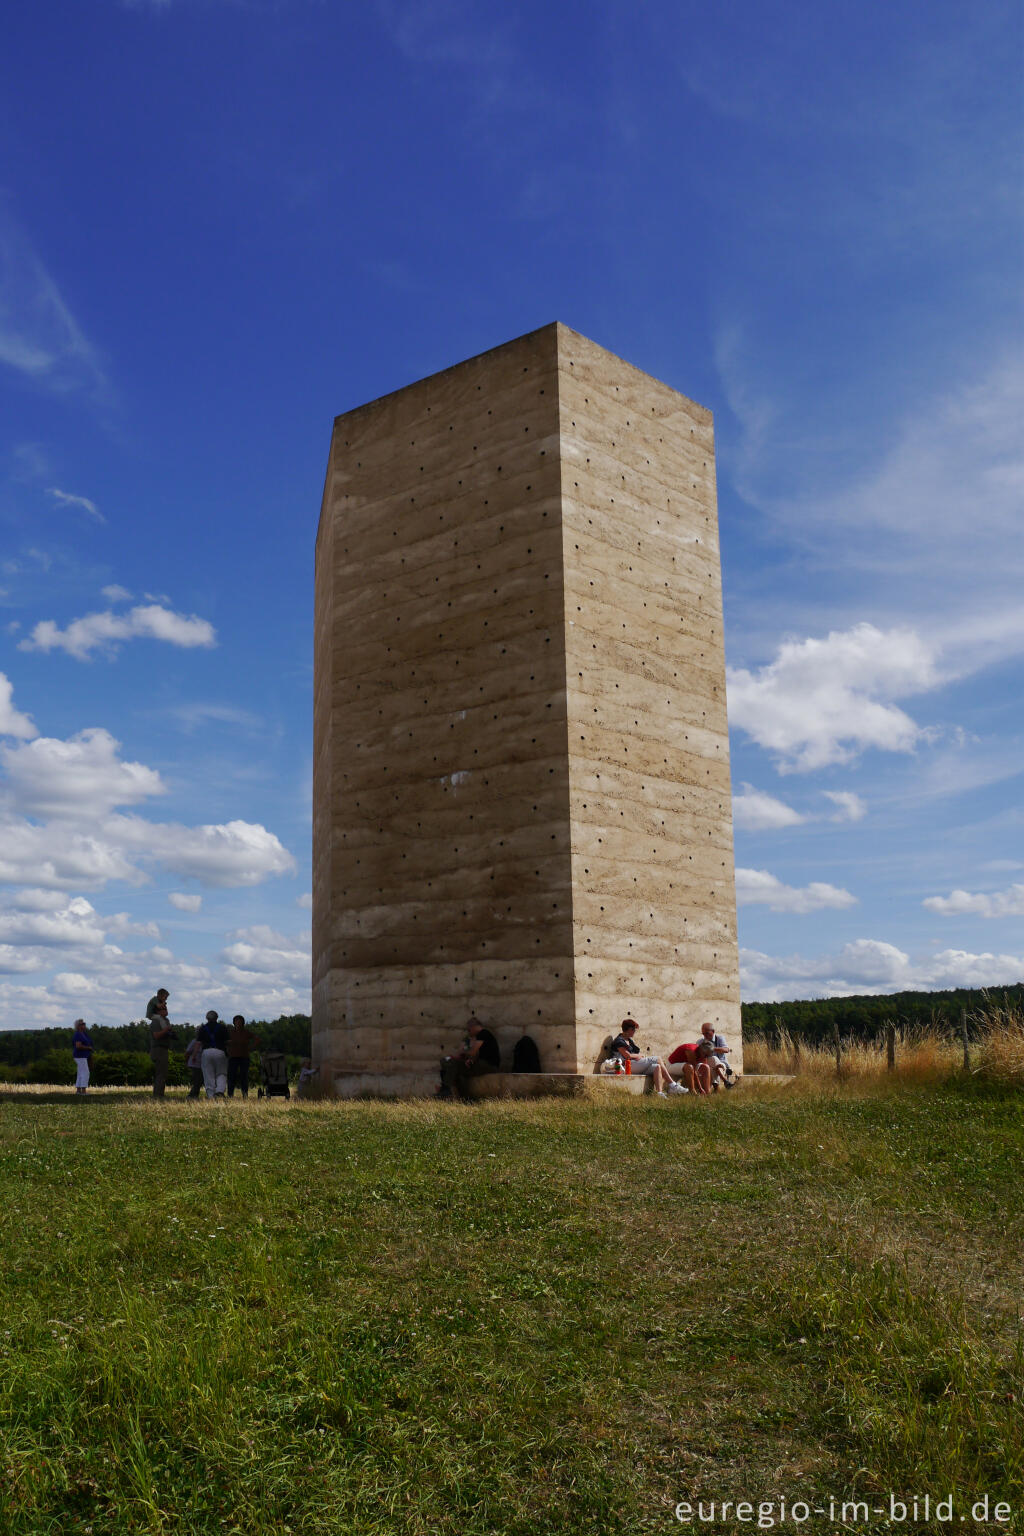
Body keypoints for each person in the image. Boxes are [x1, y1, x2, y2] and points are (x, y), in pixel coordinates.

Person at [611, 1019, 685, 1097]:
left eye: (634, 1030)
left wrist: (638, 1056)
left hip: (633, 1065)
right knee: (658, 1059)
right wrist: (640, 1056)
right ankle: (673, 1085)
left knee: (657, 1067)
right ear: (626, 1029)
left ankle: (659, 1093)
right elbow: (627, 1056)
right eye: (632, 1029)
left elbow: (633, 1055)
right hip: (624, 1066)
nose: (634, 1031)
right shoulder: (619, 1041)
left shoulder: (629, 1040)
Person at [439, 1016, 500, 1100]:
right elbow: (478, 1054)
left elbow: (472, 1052)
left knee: (454, 1064)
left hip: (489, 1066)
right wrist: (470, 1060)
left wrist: (462, 1053)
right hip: (485, 1064)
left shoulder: (483, 1033)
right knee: (455, 1068)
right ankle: (456, 1094)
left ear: (473, 1027)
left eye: (469, 1030)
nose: (469, 1032)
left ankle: (446, 1090)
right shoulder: (483, 1035)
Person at [146, 987, 176, 1098]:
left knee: (163, 1073)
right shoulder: (156, 1021)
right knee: (160, 1073)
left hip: (163, 1049)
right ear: (158, 1011)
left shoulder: (164, 1021)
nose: (166, 1010)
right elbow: (156, 1035)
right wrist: (166, 1030)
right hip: (158, 1049)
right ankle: (158, 1095)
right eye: (164, 1008)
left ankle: (159, 1094)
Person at [197, 1010, 230, 1099]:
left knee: (208, 1075)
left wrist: (194, 1055)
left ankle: (211, 1095)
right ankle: (219, 1091)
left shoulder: (203, 1028)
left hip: (206, 1052)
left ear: (207, 1018)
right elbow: (227, 1042)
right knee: (221, 1073)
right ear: (217, 1018)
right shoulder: (223, 1027)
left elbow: (198, 1043)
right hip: (220, 1051)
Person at [226, 1015, 259, 1098]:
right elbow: (224, 1041)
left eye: (240, 1022)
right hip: (233, 1057)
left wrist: (251, 1048)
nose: (238, 1023)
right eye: (236, 1022)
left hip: (244, 1057)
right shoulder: (230, 1032)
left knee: (244, 1077)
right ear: (234, 1023)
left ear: (243, 1023)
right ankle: (230, 1095)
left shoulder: (246, 1032)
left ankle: (245, 1095)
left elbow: (257, 1039)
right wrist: (227, 1050)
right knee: (231, 1076)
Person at [699, 1021, 735, 1089]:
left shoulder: (720, 1038)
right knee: (714, 1062)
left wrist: (711, 1049)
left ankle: (716, 1088)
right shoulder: (700, 1041)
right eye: (703, 1033)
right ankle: (726, 1082)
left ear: (713, 1031)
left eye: (707, 1033)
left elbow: (726, 1050)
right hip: (707, 1064)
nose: (705, 1035)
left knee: (715, 1065)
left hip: (722, 1064)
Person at [71, 1018, 93, 1095]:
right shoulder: (78, 1034)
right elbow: (78, 1046)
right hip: (80, 1056)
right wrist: (88, 1048)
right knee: (85, 1072)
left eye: (84, 1024)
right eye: (82, 1024)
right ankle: (83, 1091)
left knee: (80, 1073)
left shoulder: (84, 1034)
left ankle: (78, 1090)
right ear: (78, 1026)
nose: (84, 1025)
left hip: (83, 1056)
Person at [184, 1032, 204, 1098]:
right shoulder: (194, 1041)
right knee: (198, 1080)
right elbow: (187, 1052)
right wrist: (186, 1062)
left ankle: (194, 1095)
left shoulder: (204, 1042)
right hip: (194, 1064)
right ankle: (192, 1095)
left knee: (199, 1080)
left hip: (200, 1064)